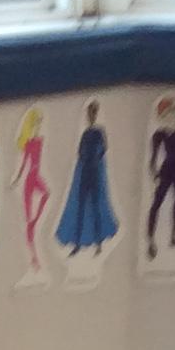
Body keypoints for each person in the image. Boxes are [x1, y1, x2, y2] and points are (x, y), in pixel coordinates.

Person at [55, 101, 119, 260]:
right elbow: (80, 152)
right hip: (85, 173)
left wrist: (94, 159)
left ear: (95, 115)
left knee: (96, 208)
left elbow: (103, 149)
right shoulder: (85, 133)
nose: (90, 117)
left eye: (92, 113)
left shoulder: (99, 132)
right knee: (80, 208)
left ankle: (98, 243)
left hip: (94, 172)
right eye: (88, 114)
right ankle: (77, 244)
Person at [146, 96, 175, 259]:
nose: (174, 115)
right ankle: (150, 240)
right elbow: (153, 158)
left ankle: (174, 236)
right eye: (171, 112)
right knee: (157, 203)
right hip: (166, 171)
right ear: (163, 115)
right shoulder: (159, 134)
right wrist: (154, 174)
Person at [12, 106, 51, 281]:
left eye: (39, 123)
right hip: (29, 179)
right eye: (36, 123)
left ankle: (34, 222)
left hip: (37, 176)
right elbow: (23, 165)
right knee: (28, 222)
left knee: (46, 194)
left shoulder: (40, 141)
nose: (38, 126)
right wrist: (16, 179)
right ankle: (33, 258)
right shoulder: (28, 144)